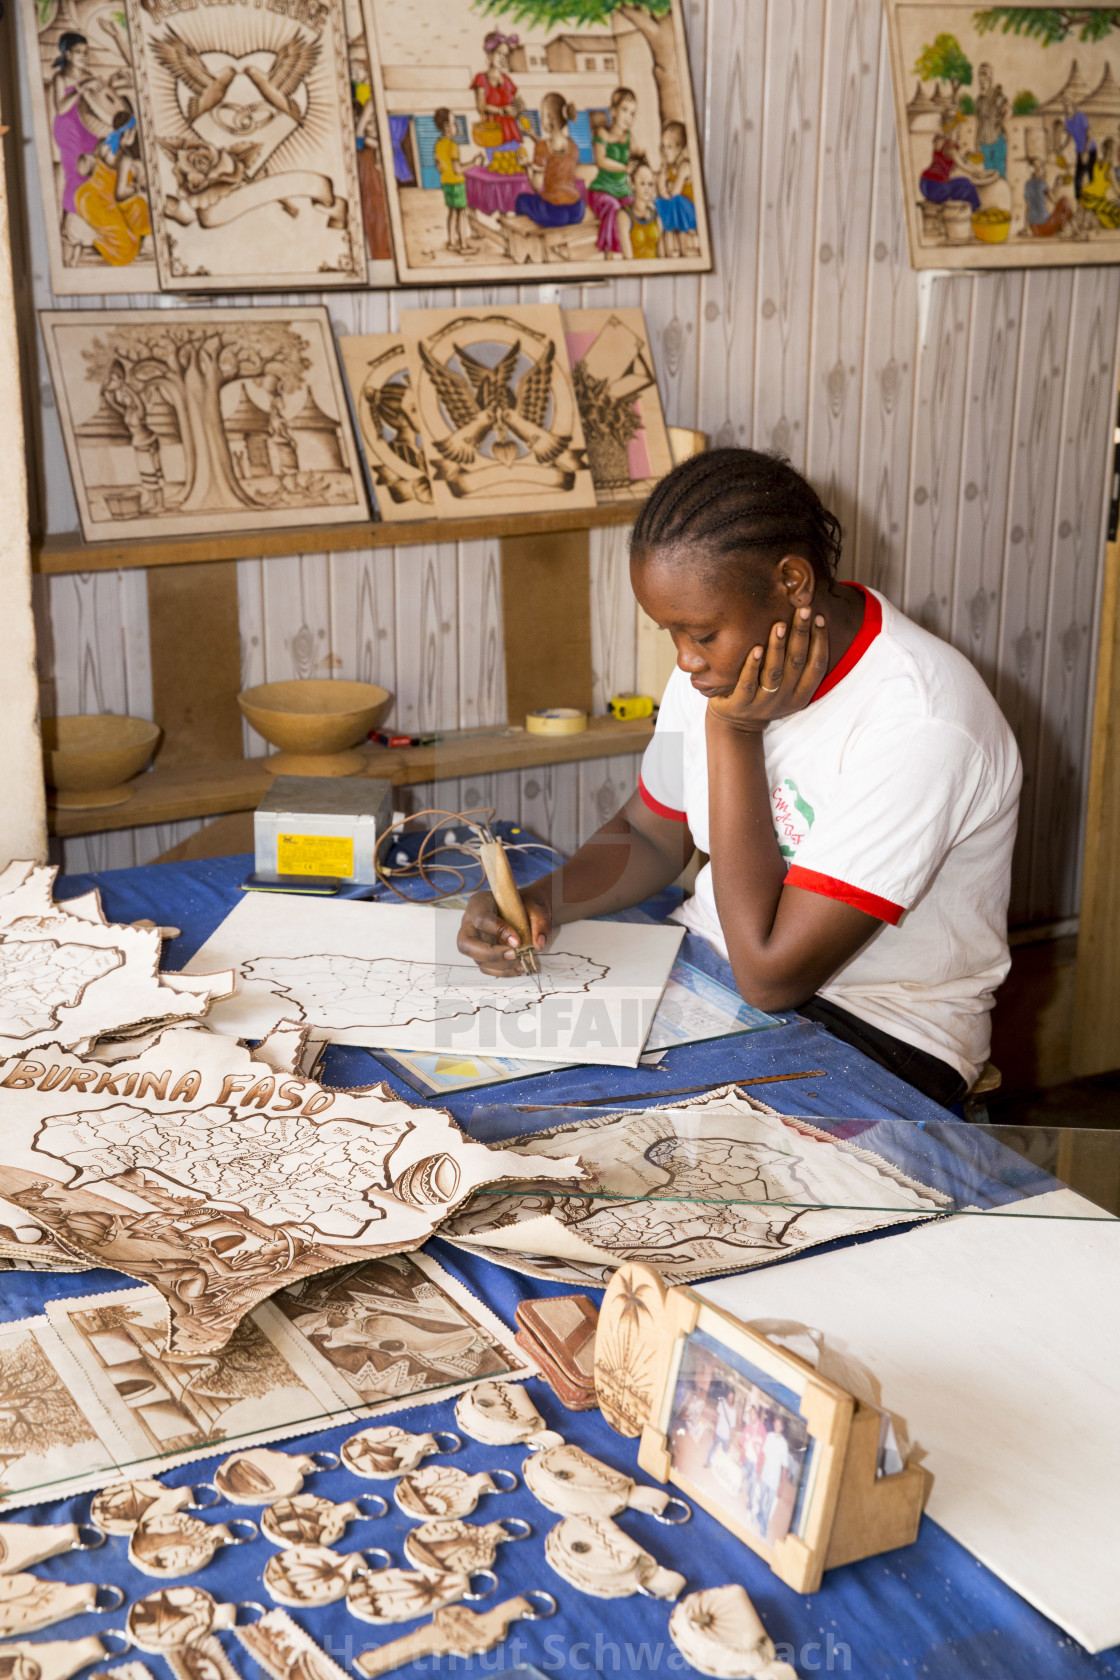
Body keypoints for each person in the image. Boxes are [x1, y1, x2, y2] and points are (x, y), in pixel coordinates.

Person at [457, 448, 1022, 1108]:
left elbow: (771, 976)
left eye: (700, 632)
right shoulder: (717, 667)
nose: (685, 661)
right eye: (670, 631)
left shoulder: (924, 722)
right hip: (710, 970)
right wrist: (537, 902)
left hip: (880, 1031)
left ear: (793, 581)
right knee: (507, 1101)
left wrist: (734, 733)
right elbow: (650, 834)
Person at [72, 109, 150, 268]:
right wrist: (138, 187)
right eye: (133, 132)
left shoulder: (103, 144)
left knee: (138, 208)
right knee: (127, 250)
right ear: (128, 133)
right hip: (102, 204)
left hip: (84, 195)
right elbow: (120, 194)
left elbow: (92, 169)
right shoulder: (124, 158)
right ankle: (93, 240)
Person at [511, 91, 584, 228]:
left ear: (548, 119)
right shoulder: (573, 146)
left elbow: (537, 187)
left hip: (554, 212)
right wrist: (531, 134)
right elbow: (554, 156)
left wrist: (527, 167)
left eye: (542, 115)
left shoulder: (542, 148)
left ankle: (529, 243)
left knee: (521, 200)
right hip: (576, 210)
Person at [589, 87, 638, 256]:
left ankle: (630, 253)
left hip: (623, 190)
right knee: (614, 207)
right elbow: (601, 161)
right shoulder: (602, 133)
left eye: (632, 113)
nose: (628, 117)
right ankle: (609, 253)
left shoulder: (629, 138)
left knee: (636, 207)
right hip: (602, 191)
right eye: (625, 110)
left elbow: (635, 161)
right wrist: (624, 168)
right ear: (613, 111)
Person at [432, 107, 476, 254]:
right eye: (454, 123)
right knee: (461, 213)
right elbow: (457, 169)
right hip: (457, 183)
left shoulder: (438, 145)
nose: (456, 126)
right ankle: (463, 244)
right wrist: (473, 163)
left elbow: (439, 168)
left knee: (451, 212)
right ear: (446, 127)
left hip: (445, 183)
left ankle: (451, 242)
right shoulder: (453, 146)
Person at [919, 110, 981, 213]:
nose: (958, 135)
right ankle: (975, 213)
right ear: (951, 130)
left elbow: (949, 162)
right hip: (936, 188)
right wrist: (978, 173)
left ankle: (963, 213)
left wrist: (965, 158)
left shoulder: (939, 141)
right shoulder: (950, 147)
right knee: (967, 184)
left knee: (959, 184)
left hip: (925, 184)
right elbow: (962, 165)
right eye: (957, 131)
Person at [656, 119, 699, 257]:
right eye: (663, 147)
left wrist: (669, 187)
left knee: (677, 202)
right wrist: (662, 177)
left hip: (690, 212)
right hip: (675, 206)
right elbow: (663, 194)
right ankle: (666, 252)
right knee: (658, 203)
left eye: (669, 147)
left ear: (680, 149)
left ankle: (683, 251)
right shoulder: (669, 167)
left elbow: (674, 193)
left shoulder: (685, 166)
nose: (664, 151)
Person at [757, 1415, 793, 1536]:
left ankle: (763, 1527)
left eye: (779, 1425)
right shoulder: (769, 1437)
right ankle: (759, 1514)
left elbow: (785, 1466)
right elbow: (764, 1456)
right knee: (761, 1498)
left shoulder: (784, 1445)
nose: (776, 1427)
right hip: (765, 1475)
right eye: (775, 1424)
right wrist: (760, 1471)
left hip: (774, 1480)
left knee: (769, 1504)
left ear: (782, 1428)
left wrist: (781, 1484)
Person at [622, 153, 661, 258]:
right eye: (642, 183)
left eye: (650, 184)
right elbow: (628, 259)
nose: (647, 188)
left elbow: (662, 254)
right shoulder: (624, 215)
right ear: (632, 184)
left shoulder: (655, 213)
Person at [973, 63, 1008, 178]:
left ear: (990, 79)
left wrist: (1000, 121)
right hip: (984, 140)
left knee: (1000, 172)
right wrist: (977, 141)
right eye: (980, 78)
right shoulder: (978, 101)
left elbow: (1008, 111)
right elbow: (979, 122)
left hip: (998, 139)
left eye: (985, 78)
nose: (982, 81)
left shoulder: (998, 97)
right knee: (988, 171)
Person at [1024, 157, 1073, 238]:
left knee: (1059, 212)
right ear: (1036, 170)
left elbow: (1027, 207)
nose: (1043, 170)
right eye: (1041, 168)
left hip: (1034, 229)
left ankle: (1065, 229)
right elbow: (1055, 200)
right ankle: (1072, 229)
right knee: (1064, 201)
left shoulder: (1027, 184)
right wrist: (1058, 185)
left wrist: (1026, 228)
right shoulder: (1042, 183)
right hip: (1045, 227)